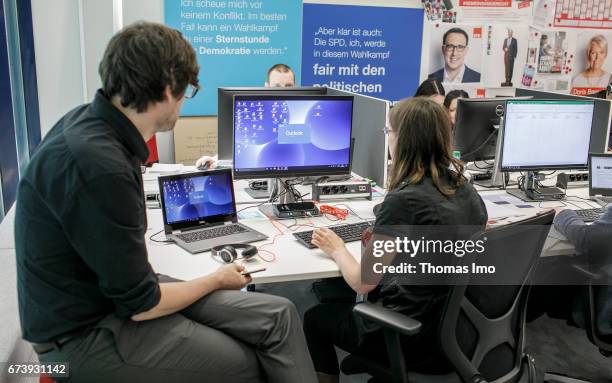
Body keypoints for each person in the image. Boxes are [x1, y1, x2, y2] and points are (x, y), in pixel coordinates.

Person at [14, 22, 317, 383]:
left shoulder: (95, 126)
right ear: (166, 88)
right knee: (246, 363)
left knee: (279, 313)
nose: (184, 103)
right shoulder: (100, 165)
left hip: (116, 295)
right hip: (85, 333)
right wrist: (215, 279)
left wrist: (214, 280)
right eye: (186, 90)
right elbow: (141, 306)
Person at [302, 97, 488, 382]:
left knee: (315, 318)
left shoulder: (404, 200)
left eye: (389, 131)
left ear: (404, 139)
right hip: (458, 334)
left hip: (407, 335)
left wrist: (337, 248)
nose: (387, 137)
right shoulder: (466, 190)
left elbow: (362, 282)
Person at [195, 63, 297, 169]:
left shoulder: (302, 110)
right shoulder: (256, 111)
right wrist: (216, 160)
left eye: (288, 86)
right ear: (267, 86)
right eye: (277, 87)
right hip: (261, 174)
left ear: (295, 86)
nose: (283, 91)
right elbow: (243, 143)